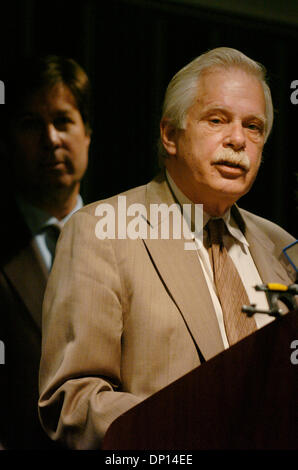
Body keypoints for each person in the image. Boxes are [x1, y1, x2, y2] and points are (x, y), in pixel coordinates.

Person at [38, 47, 295, 450]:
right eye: (217, 120)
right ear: (170, 134)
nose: (237, 140)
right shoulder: (100, 231)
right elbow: (72, 403)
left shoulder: (283, 248)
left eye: (254, 127)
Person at [0, 55, 92, 449]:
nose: (51, 139)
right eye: (31, 124)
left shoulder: (133, 243)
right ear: (6, 140)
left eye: (62, 121)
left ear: (87, 133)